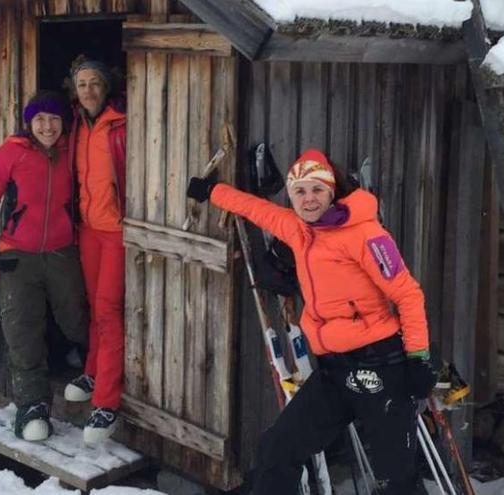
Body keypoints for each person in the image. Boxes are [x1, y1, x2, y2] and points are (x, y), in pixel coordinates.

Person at [186, 149, 437, 494]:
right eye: (300, 191)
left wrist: (418, 359)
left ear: (332, 192)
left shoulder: (366, 234)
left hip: (379, 368)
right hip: (334, 371)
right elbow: (256, 209)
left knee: (396, 479)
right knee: (277, 449)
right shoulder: (298, 230)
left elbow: (408, 294)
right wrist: (212, 192)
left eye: (317, 190)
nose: (309, 199)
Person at [0, 91, 89, 442]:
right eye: (40, 119)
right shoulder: (11, 153)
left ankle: (92, 373)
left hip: (61, 250)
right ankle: (32, 407)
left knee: (76, 315)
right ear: (29, 122)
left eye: (54, 119)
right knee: (22, 328)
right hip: (16, 254)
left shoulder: (72, 151)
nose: (47, 126)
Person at [62, 56, 128, 444]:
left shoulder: (120, 123)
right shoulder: (75, 125)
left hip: (116, 230)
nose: (88, 90)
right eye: (82, 83)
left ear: (106, 87)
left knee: (108, 309)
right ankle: (92, 371)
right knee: (92, 306)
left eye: (95, 83)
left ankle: (107, 401)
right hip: (87, 229)